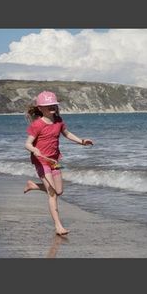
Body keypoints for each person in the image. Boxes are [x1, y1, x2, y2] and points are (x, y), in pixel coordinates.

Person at [22, 91, 94, 235]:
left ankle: (34, 185)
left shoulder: (59, 121)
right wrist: (35, 150)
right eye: (48, 106)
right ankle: (58, 226)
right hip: (41, 161)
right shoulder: (37, 125)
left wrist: (81, 141)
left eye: (53, 105)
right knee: (53, 193)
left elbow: (67, 134)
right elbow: (27, 143)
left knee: (59, 190)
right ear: (40, 108)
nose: (52, 107)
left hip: (55, 160)